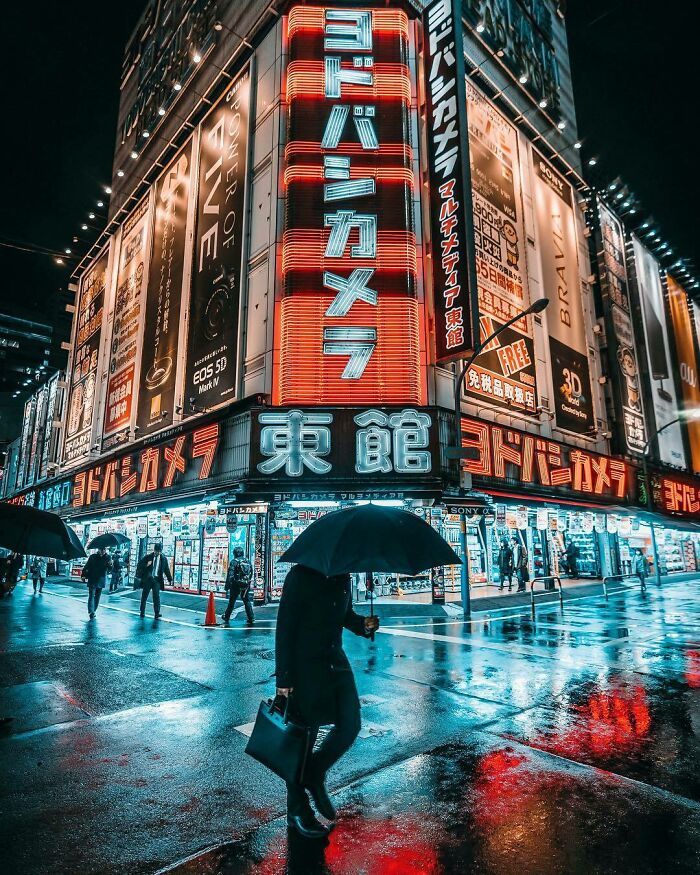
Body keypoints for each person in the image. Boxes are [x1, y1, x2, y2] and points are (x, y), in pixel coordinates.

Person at [275, 564, 380, 839]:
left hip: (335, 662)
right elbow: (285, 628)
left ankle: (314, 773)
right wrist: (284, 679)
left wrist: (363, 625)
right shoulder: (299, 576)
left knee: (350, 724)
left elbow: (344, 615)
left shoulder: (344, 576)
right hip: (304, 668)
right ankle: (298, 811)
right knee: (303, 738)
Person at [136, 543, 172, 618]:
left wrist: (169, 579)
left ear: (161, 551)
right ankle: (142, 611)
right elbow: (139, 564)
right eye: (156, 551)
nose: (157, 553)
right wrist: (147, 565)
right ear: (154, 550)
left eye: (159, 551)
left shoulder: (163, 559)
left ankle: (157, 613)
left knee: (156, 596)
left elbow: (166, 569)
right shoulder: (148, 557)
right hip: (148, 579)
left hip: (157, 580)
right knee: (144, 596)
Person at [221, 546, 255, 626]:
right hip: (246, 585)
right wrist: (247, 582)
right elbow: (251, 573)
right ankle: (251, 618)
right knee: (246, 600)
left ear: (235, 553)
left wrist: (227, 586)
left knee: (232, 601)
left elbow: (230, 575)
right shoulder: (248, 561)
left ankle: (227, 616)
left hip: (235, 585)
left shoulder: (234, 562)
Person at [81, 547, 112, 618]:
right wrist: (83, 575)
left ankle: (93, 610)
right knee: (91, 595)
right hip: (92, 578)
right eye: (102, 549)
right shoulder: (93, 557)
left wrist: (110, 565)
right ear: (99, 550)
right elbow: (87, 566)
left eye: (104, 549)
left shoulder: (108, 557)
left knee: (97, 596)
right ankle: (91, 612)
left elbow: (110, 569)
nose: (103, 551)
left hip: (101, 579)